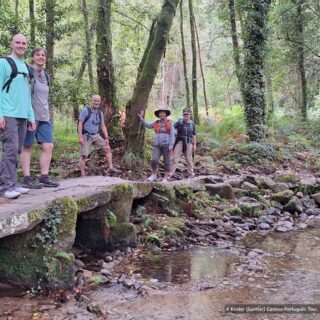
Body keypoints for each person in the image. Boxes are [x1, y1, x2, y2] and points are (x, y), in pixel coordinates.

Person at [0, 34, 36, 199]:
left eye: (24, 43)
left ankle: (13, 182)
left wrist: (31, 116)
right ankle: (5, 185)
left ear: (27, 46)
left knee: (17, 149)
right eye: (18, 42)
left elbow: (27, 94)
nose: (21, 45)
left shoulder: (27, 67)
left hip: (22, 115)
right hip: (8, 114)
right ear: (12, 44)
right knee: (10, 149)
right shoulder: (4, 63)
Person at [21, 47, 59, 188]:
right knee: (27, 146)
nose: (41, 57)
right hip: (31, 115)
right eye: (38, 55)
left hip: (44, 117)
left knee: (48, 146)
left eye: (43, 55)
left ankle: (44, 177)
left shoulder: (46, 75)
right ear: (33, 57)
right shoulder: (28, 72)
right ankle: (27, 178)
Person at [78, 95, 120, 176]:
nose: (96, 102)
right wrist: (80, 137)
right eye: (94, 101)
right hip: (86, 135)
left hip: (96, 135)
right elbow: (80, 123)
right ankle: (82, 174)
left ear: (100, 102)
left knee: (107, 149)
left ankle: (111, 168)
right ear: (91, 101)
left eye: (98, 101)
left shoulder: (100, 113)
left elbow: (103, 125)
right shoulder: (85, 111)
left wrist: (106, 138)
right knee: (84, 155)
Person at [138, 108, 174, 182]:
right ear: (158, 115)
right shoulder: (156, 122)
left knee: (166, 161)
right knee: (154, 160)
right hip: (157, 144)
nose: (162, 114)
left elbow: (172, 134)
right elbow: (148, 125)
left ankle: (165, 177)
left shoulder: (169, 122)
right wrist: (141, 118)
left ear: (166, 114)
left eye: (163, 113)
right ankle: (154, 174)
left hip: (166, 144)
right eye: (160, 113)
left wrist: (171, 145)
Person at [170, 107, 196, 179]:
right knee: (175, 157)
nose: (186, 116)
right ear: (183, 115)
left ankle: (191, 173)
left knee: (189, 158)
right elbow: (171, 128)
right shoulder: (179, 122)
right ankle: (170, 174)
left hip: (189, 142)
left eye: (187, 114)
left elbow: (194, 135)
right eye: (184, 115)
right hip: (179, 141)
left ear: (190, 115)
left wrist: (194, 145)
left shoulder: (192, 124)